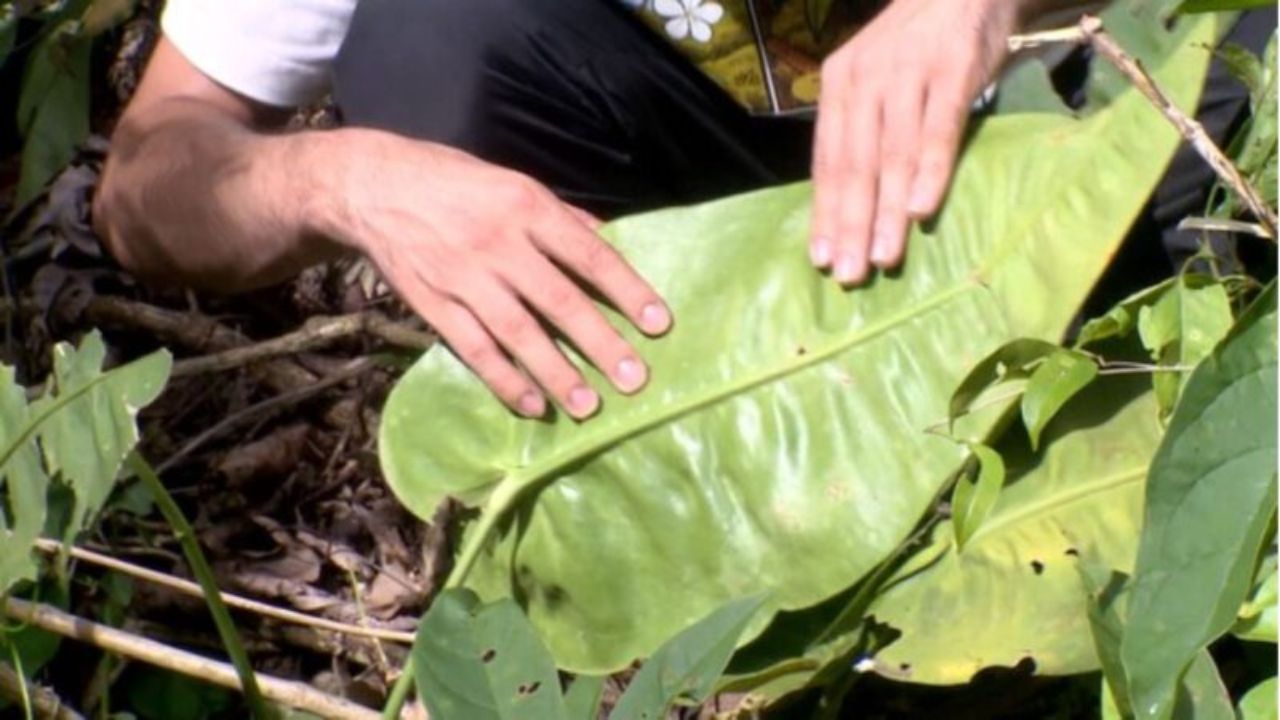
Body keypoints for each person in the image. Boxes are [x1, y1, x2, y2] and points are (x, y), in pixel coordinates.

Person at [87, 0, 1201, 421]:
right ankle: (688, 490)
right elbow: (146, 183)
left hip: (1037, 154)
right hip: (697, 285)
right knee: (435, 36)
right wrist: (344, 180)